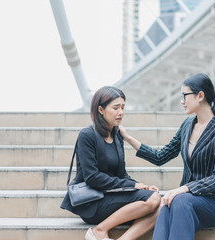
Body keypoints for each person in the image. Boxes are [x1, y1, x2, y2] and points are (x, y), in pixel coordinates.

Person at [119, 73, 215, 240]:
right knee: (167, 204)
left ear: (200, 96)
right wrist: (128, 138)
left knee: (177, 200)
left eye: (185, 96)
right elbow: (160, 156)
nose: (182, 101)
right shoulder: (187, 125)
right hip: (186, 202)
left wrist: (184, 188)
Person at [60, 86, 161, 240]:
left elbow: (121, 174)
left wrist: (141, 185)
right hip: (92, 202)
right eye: (115, 108)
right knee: (153, 199)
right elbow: (92, 177)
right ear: (101, 110)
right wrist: (133, 187)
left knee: (160, 206)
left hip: (112, 196)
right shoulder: (87, 135)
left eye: (123, 107)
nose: (121, 112)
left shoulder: (117, 135)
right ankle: (99, 231)